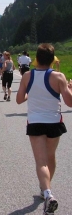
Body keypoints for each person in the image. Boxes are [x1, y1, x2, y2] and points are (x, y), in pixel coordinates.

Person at [16, 43, 72, 215]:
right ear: (52, 59)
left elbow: (19, 99)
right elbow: (70, 102)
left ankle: (47, 192)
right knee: (50, 157)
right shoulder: (59, 76)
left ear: (37, 58)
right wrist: (70, 88)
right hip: (54, 122)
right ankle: (46, 189)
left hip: (35, 122)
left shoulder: (27, 76)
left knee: (41, 162)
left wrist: (30, 94)